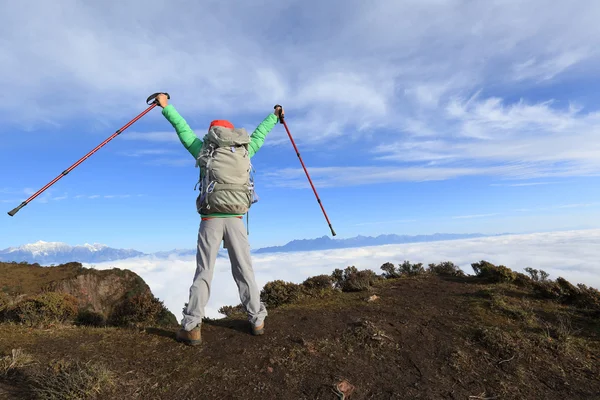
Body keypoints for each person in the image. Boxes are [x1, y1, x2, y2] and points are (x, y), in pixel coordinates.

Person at [155, 93, 283, 345]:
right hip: (236, 217)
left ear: (212, 132)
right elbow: (260, 133)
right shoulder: (245, 149)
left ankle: (192, 326)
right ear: (232, 132)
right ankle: (257, 319)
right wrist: (274, 116)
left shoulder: (204, 150)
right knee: (244, 269)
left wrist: (166, 107)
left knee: (204, 271)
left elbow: (182, 129)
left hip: (210, 219)